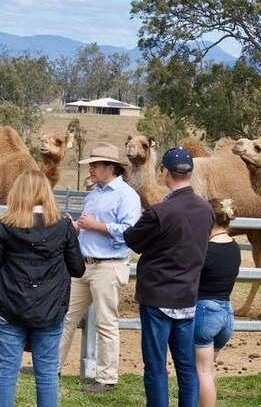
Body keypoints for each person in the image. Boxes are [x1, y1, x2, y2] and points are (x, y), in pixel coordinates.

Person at [0, 169, 85, 407]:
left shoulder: (4, 226)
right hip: (50, 309)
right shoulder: (63, 227)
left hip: (9, 308)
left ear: (17, 194)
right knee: (47, 373)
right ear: (46, 194)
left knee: (6, 371)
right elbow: (78, 268)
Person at [123, 146, 215, 407]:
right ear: (189, 173)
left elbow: (132, 239)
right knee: (186, 366)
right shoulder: (206, 210)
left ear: (165, 173)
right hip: (187, 297)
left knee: (155, 366)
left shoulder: (160, 212)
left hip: (157, 297)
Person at [58, 141, 141, 393]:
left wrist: (96, 226)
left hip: (109, 267)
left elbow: (130, 232)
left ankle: (106, 377)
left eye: (94, 166)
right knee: (64, 317)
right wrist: (77, 228)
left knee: (106, 322)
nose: (90, 170)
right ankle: (51, 367)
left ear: (110, 167)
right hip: (84, 266)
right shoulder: (94, 195)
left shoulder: (127, 196)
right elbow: (90, 227)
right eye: (91, 166)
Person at [195, 198, 241, 407]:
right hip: (226, 314)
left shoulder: (205, 250)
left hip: (205, 312)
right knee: (208, 368)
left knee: (202, 371)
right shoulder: (235, 249)